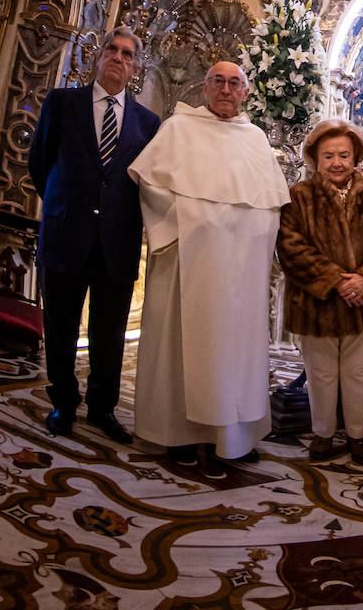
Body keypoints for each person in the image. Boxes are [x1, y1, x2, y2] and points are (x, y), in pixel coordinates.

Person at [128, 61, 289, 472]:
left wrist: (248, 232)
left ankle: (233, 436)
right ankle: (177, 433)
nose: (226, 89)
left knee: (237, 351)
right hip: (187, 260)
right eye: (218, 81)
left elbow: (270, 205)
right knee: (179, 346)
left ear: (246, 93)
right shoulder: (178, 129)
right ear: (205, 88)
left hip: (241, 273)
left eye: (235, 83)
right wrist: (194, 224)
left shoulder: (255, 139)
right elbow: (152, 187)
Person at [28, 26, 160, 442]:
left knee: (109, 332)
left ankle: (103, 408)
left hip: (116, 244)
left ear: (136, 67)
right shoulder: (61, 103)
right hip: (66, 232)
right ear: (98, 56)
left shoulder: (149, 123)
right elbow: (40, 164)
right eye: (112, 50)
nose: (118, 58)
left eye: (127, 54)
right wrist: (65, 205)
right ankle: (63, 403)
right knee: (61, 326)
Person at [276, 119, 363, 464]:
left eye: (344, 155)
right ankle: (321, 434)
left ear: (355, 158)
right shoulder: (298, 197)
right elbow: (290, 246)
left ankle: (357, 435)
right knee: (319, 374)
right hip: (316, 303)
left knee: (359, 372)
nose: (337, 163)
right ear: (315, 159)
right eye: (329, 156)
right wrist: (336, 280)